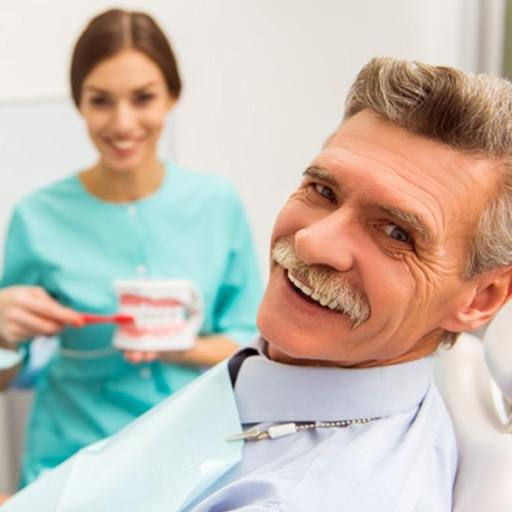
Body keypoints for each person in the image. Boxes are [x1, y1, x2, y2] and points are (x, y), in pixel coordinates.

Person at [4, 56, 512, 511]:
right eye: (322, 189)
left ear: (481, 298)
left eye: (397, 232)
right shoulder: (285, 365)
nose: (313, 242)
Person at [0, 9, 261, 487]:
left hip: (192, 461)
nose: (123, 124)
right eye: (101, 101)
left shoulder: (216, 204)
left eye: (143, 98)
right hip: (68, 466)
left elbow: (252, 344)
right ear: (79, 103)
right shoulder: (35, 218)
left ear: (173, 96)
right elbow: (4, 378)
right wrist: (0, 332)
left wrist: (184, 347)